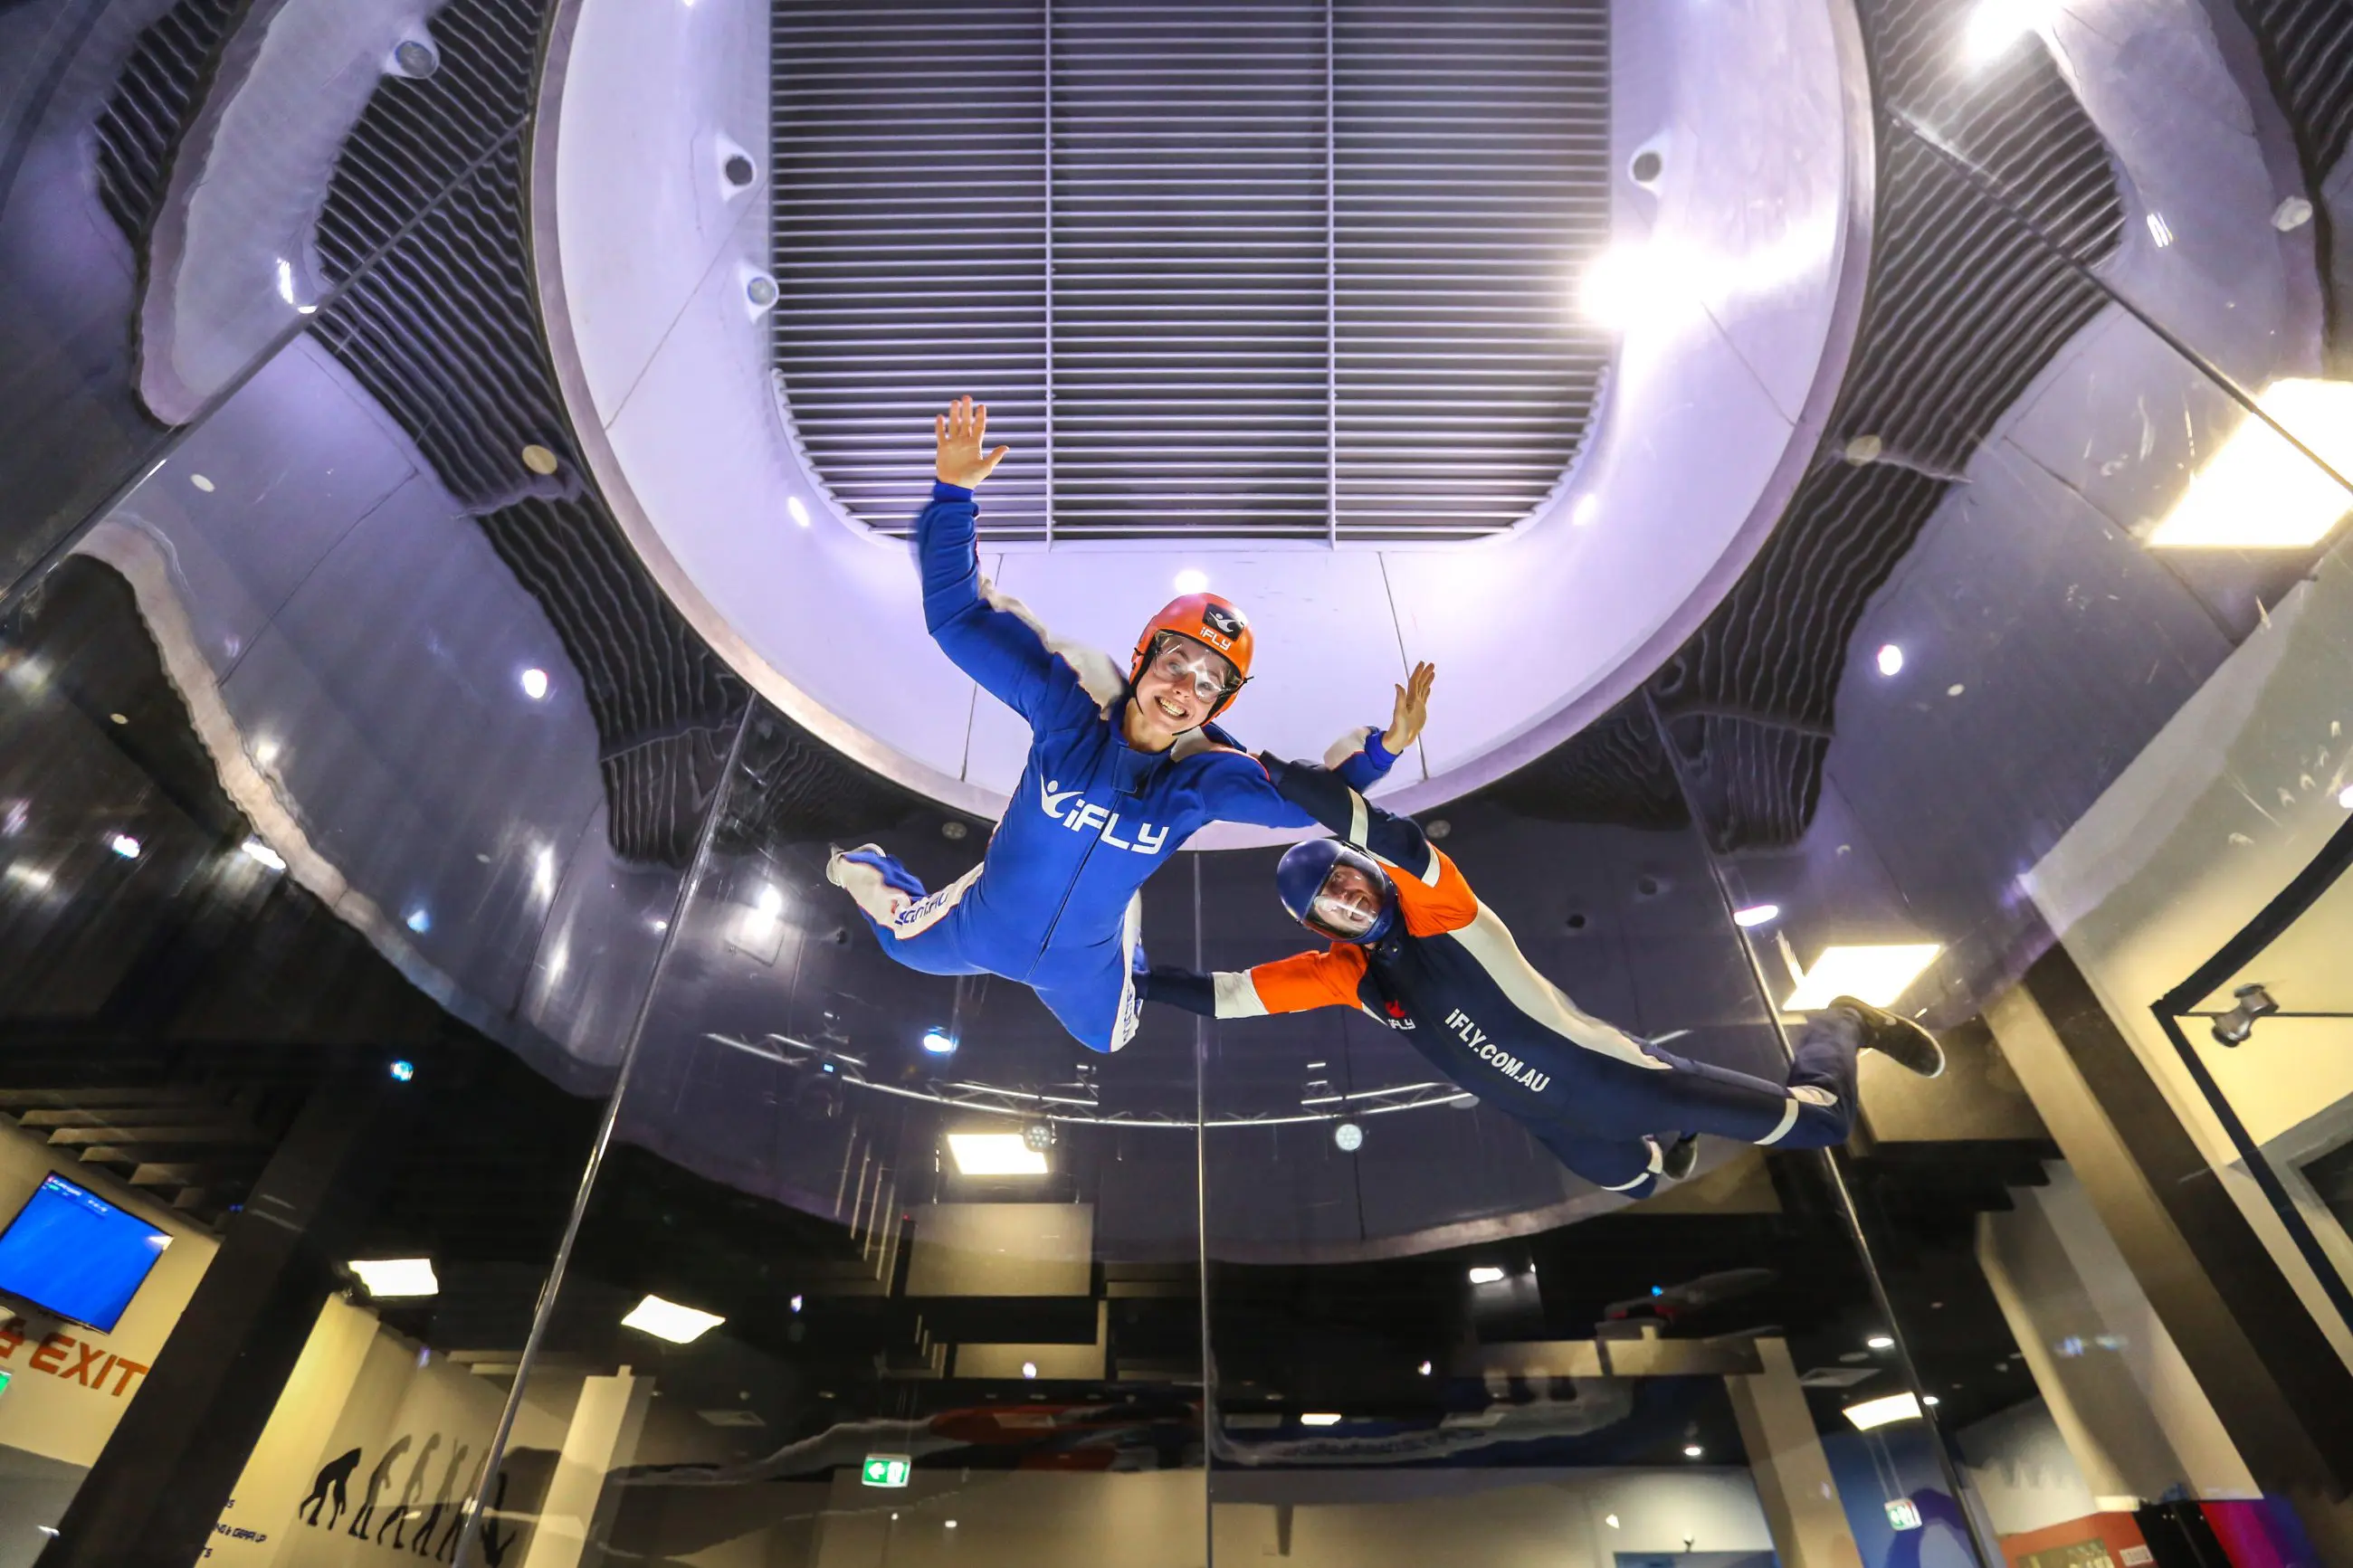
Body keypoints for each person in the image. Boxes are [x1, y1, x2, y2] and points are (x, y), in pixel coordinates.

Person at [826, 396, 1427, 1054]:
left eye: (1208, 683)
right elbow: (959, 621)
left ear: (1217, 707)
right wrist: (952, 496)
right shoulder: (1067, 713)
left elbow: (1300, 807)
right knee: (895, 939)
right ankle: (859, 864)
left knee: (1111, 1040)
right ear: (1143, 658)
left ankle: (1125, 940)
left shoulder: (1203, 782)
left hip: (1081, 969)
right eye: (1177, 662)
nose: (1184, 689)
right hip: (980, 924)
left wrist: (1384, 749)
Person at [1135, 748, 1946, 1198]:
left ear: (1365, 870)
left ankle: (1844, 1017)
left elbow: (1368, 823)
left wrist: (1251, 762)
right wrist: (1135, 980)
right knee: (1639, 1184)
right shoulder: (1351, 975)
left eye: (1344, 875)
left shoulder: (1440, 907)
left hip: (1635, 1083)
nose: (1346, 895)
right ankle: (1675, 1148)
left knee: (1826, 1127)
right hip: (1562, 1126)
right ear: (1320, 924)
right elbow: (1232, 997)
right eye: (1328, 902)